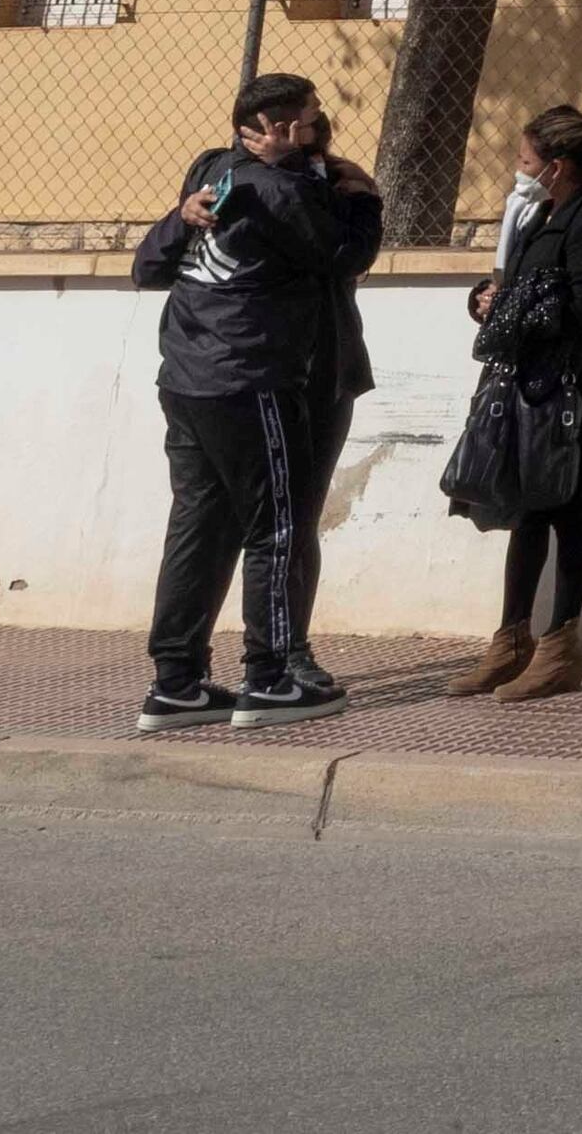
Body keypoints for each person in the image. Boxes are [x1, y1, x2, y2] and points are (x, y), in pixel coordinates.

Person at [129, 70, 383, 732]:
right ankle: (269, 676)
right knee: (275, 526)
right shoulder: (280, 188)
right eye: (305, 120)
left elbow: (148, 267)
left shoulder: (214, 171)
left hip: (186, 377)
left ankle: (175, 681)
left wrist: (179, 218)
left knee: (199, 525)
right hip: (247, 378)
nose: (311, 130)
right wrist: (364, 201)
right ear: (271, 127)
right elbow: (345, 254)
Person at [448, 102, 582, 704]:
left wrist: (516, 305)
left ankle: (560, 647)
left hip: (571, 394)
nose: (517, 171)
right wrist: (485, 299)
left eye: (525, 161)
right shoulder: (540, 214)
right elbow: (518, 283)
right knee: (526, 512)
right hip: (527, 389)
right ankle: (511, 642)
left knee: (572, 512)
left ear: (555, 165)